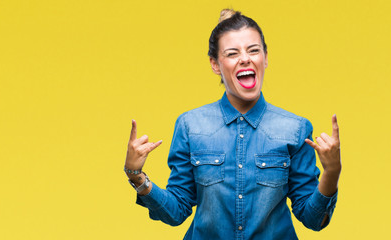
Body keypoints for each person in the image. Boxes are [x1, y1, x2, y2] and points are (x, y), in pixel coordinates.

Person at [124, 9, 341, 240]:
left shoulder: (295, 129)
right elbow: (176, 211)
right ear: (215, 64)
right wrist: (136, 175)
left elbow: (314, 219)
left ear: (265, 58)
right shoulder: (190, 125)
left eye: (254, 50)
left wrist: (332, 171)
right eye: (232, 53)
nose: (245, 58)